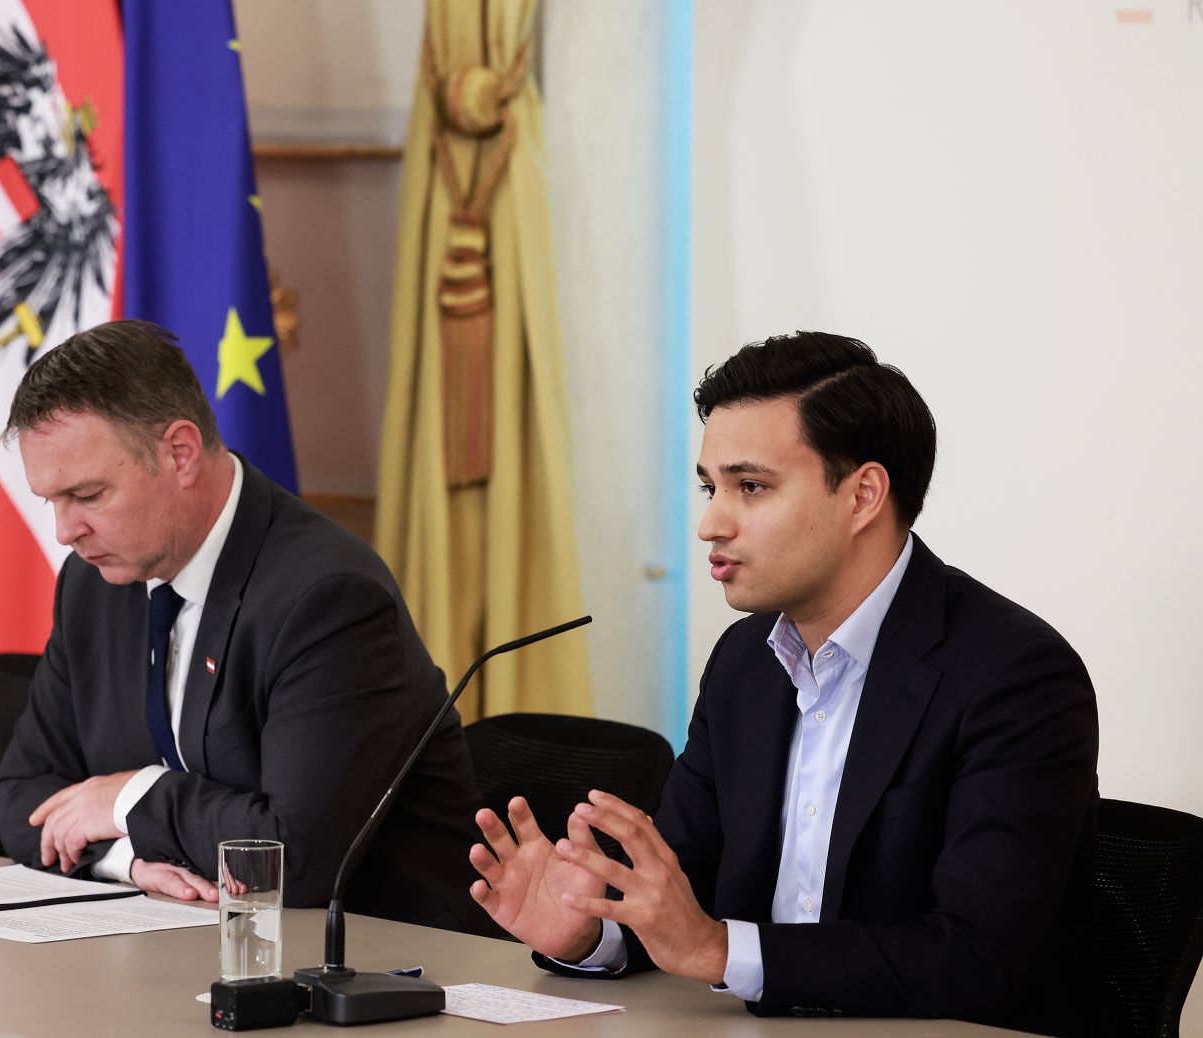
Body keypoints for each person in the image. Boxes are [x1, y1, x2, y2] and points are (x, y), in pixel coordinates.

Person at [468, 333, 1102, 1035]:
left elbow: (978, 958)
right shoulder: (746, 662)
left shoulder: (1014, 675)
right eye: (712, 487)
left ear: (862, 494)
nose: (711, 522)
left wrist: (716, 949)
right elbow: (682, 893)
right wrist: (592, 932)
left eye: (752, 487)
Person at [0, 319, 495, 935]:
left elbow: (295, 858)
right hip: (187, 938)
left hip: (386, 963)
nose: (65, 532)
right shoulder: (91, 585)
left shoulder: (326, 596)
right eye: (51, 501)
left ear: (179, 453)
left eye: (88, 495)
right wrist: (129, 859)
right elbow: (20, 798)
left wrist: (129, 798)